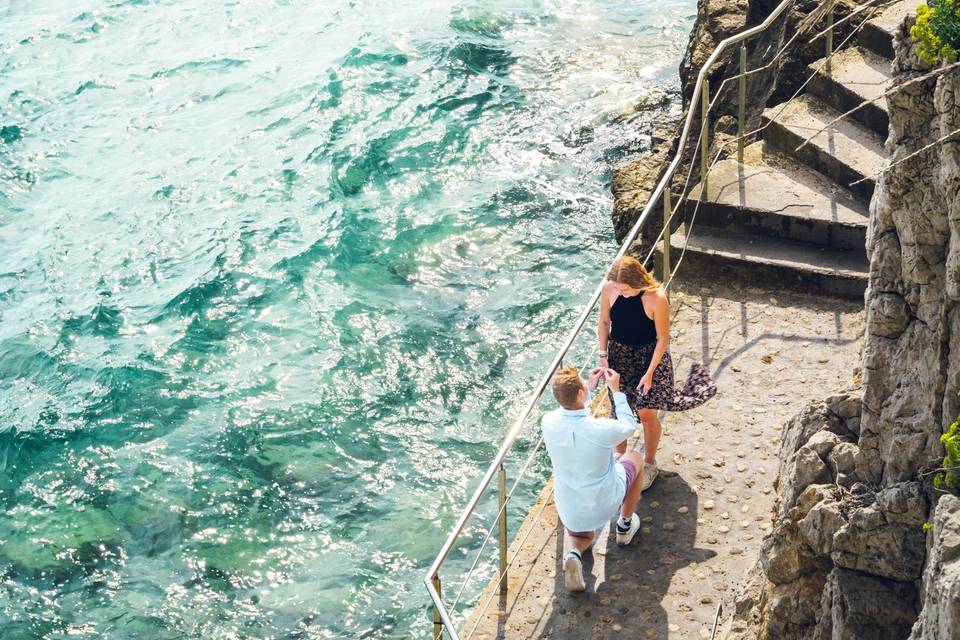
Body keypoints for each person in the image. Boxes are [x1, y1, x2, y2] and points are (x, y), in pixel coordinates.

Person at [598, 255, 717, 491]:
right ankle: (619, 459)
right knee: (619, 411)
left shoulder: (657, 298)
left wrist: (650, 372)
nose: (621, 293)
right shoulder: (610, 289)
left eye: (625, 289)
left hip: (649, 358)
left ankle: (650, 463)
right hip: (619, 358)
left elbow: (663, 338)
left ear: (638, 282)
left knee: (646, 414)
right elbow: (603, 323)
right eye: (618, 289)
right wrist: (603, 356)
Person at [542, 364, 646, 592]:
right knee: (635, 458)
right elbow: (628, 426)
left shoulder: (547, 422)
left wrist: (586, 389)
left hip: (570, 510)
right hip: (603, 504)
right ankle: (625, 526)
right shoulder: (601, 429)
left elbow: (572, 414)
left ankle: (574, 553)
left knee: (583, 533)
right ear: (580, 393)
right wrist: (616, 392)